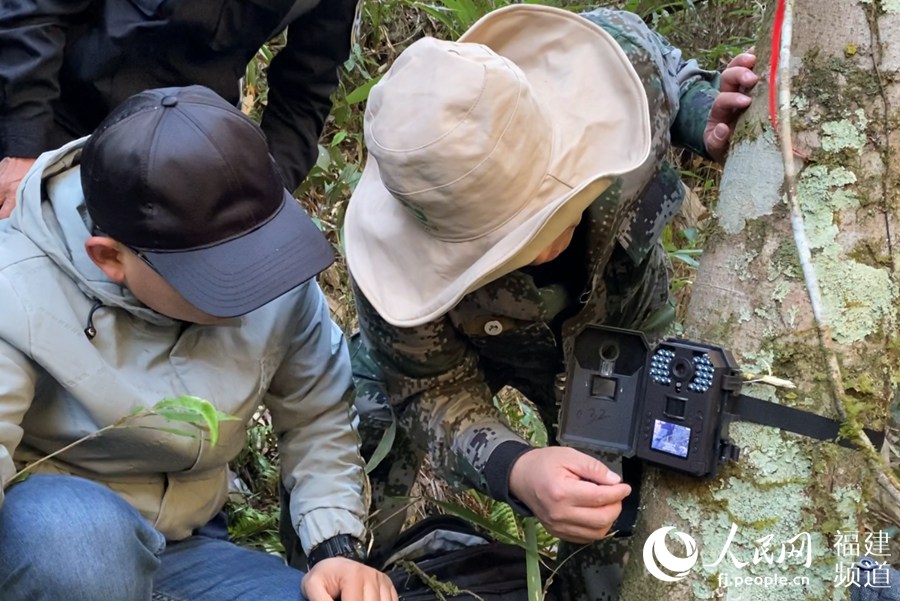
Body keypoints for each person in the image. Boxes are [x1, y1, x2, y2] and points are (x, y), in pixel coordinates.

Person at [342, 4, 758, 600]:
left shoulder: (618, 65)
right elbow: (429, 389)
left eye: (545, 212)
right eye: (504, 245)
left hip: (622, 330)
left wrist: (705, 116)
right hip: (468, 350)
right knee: (360, 445)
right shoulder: (393, 267)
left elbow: (677, 79)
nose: (539, 250)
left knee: (614, 529)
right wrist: (514, 468)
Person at [0, 85, 397, 601]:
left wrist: (335, 549)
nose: (254, 284)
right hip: (54, 544)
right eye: (217, 273)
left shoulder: (275, 270)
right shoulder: (16, 285)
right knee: (79, 545)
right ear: (110, 258)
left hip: (190, 545)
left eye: (258, 253)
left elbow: (317, 416)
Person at [0, 0, 356, 217]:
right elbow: (34, 11)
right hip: (55, 107)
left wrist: (263, 197)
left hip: (178, 159)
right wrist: (24, 147)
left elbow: (307, 89)